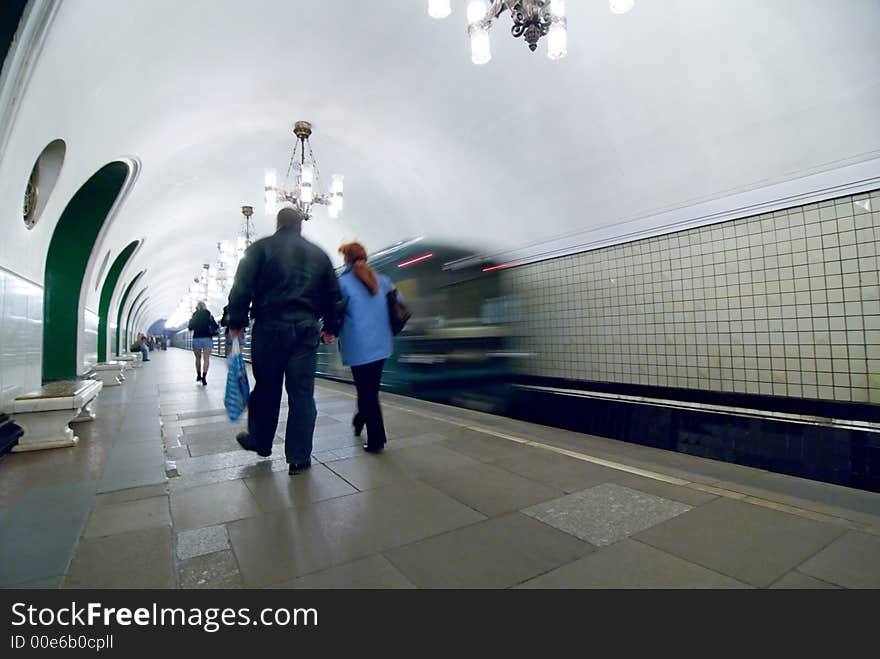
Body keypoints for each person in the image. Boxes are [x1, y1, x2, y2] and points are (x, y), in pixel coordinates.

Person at [226, 206, 342, 475]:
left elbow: (241, 286)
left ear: (278, 224)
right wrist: (331, 327)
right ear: (301, 225)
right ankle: (299, 457)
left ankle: (261, 441)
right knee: (302, 394)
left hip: (269, 326)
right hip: (305, 328)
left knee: (267, 387)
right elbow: (333, 295)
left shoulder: (260, 249)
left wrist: (236, 323)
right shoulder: (319, 254)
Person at [336, 241, 396, 453]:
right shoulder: (383, 280)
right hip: (382, 344)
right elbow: (399, 303)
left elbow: (334, 312)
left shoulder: (342, 283)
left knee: (367, 392)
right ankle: (359, 419)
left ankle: (376, 439)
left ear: (347, 259)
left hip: (359, 347)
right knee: (369, 390)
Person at [187, 301, 219, 385]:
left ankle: (198, 375)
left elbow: (190, 328)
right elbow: (216, 326)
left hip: (197, 338)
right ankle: (204, 377)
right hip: (207, 339)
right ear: (205, 307)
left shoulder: (194, 316)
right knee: (206, 359)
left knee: (197, 358)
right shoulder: (209, 315)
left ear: (197, 307)